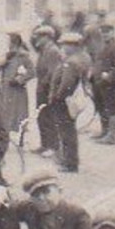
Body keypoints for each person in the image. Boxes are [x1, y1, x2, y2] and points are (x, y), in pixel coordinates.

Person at [47, 32, 90, 173]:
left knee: (66, 132)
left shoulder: (71, 62)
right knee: (69, 131)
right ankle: (70, 160)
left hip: (65, 102)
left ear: (73, 46)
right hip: (72, 100)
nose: (63, 47)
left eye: (65, 44)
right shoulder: (84, 57)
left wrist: (57, 97)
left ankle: (69, 162)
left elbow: (66, 84)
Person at [31, 25, 64, 157]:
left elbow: (53, 72)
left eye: (40, 36)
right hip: (42, 88)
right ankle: (45, 144)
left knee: (49, 117)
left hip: (48, 89)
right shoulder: (44, 50)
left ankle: (53, 146)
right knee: (42, 116)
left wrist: (45, 85)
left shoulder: (52, 51)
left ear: (48, 37)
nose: (38, 39)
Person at [90, 22, 115, 144]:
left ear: (112, 33)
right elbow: (96, 62)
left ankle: (111, 135)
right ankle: (104, 131)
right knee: (100, 106)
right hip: (98, 81)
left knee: (111, 107)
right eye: (103, 33)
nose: (105, 35)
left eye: (107, 32)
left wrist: (109, 76)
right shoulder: (100, 46)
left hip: (109, 83)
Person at [0, 32, 36, 138]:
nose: (7, 43)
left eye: (9, 41)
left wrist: (19, 80)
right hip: (6, 89)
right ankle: (6, 137)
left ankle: (21, 138)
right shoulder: (8, 55)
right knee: (5, 113)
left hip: (17, 91)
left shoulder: (23, 56)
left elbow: (32, 72)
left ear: (14, 42)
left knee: (19, 114)